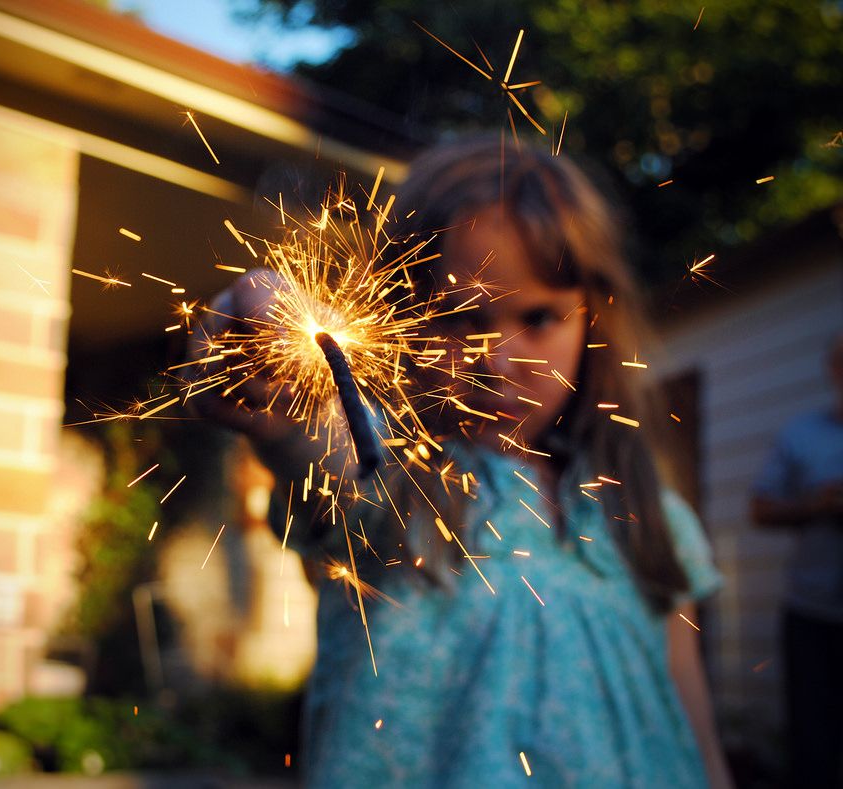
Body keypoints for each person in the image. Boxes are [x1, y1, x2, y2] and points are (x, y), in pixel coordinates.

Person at [193, 136, 733, 787]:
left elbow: (693, 730)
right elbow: (326, 442)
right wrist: (269, 333)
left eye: (538, 317)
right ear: (398, 316)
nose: (500, 362)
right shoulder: (394, 486)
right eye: (458, 316)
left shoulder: (648, 516)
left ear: (596, 316)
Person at [751, 334, 843, 788]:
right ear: (834, 371)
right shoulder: (803, 435)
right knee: (814, 742)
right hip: (812, 609)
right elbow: (760, 508)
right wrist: (818, 506)